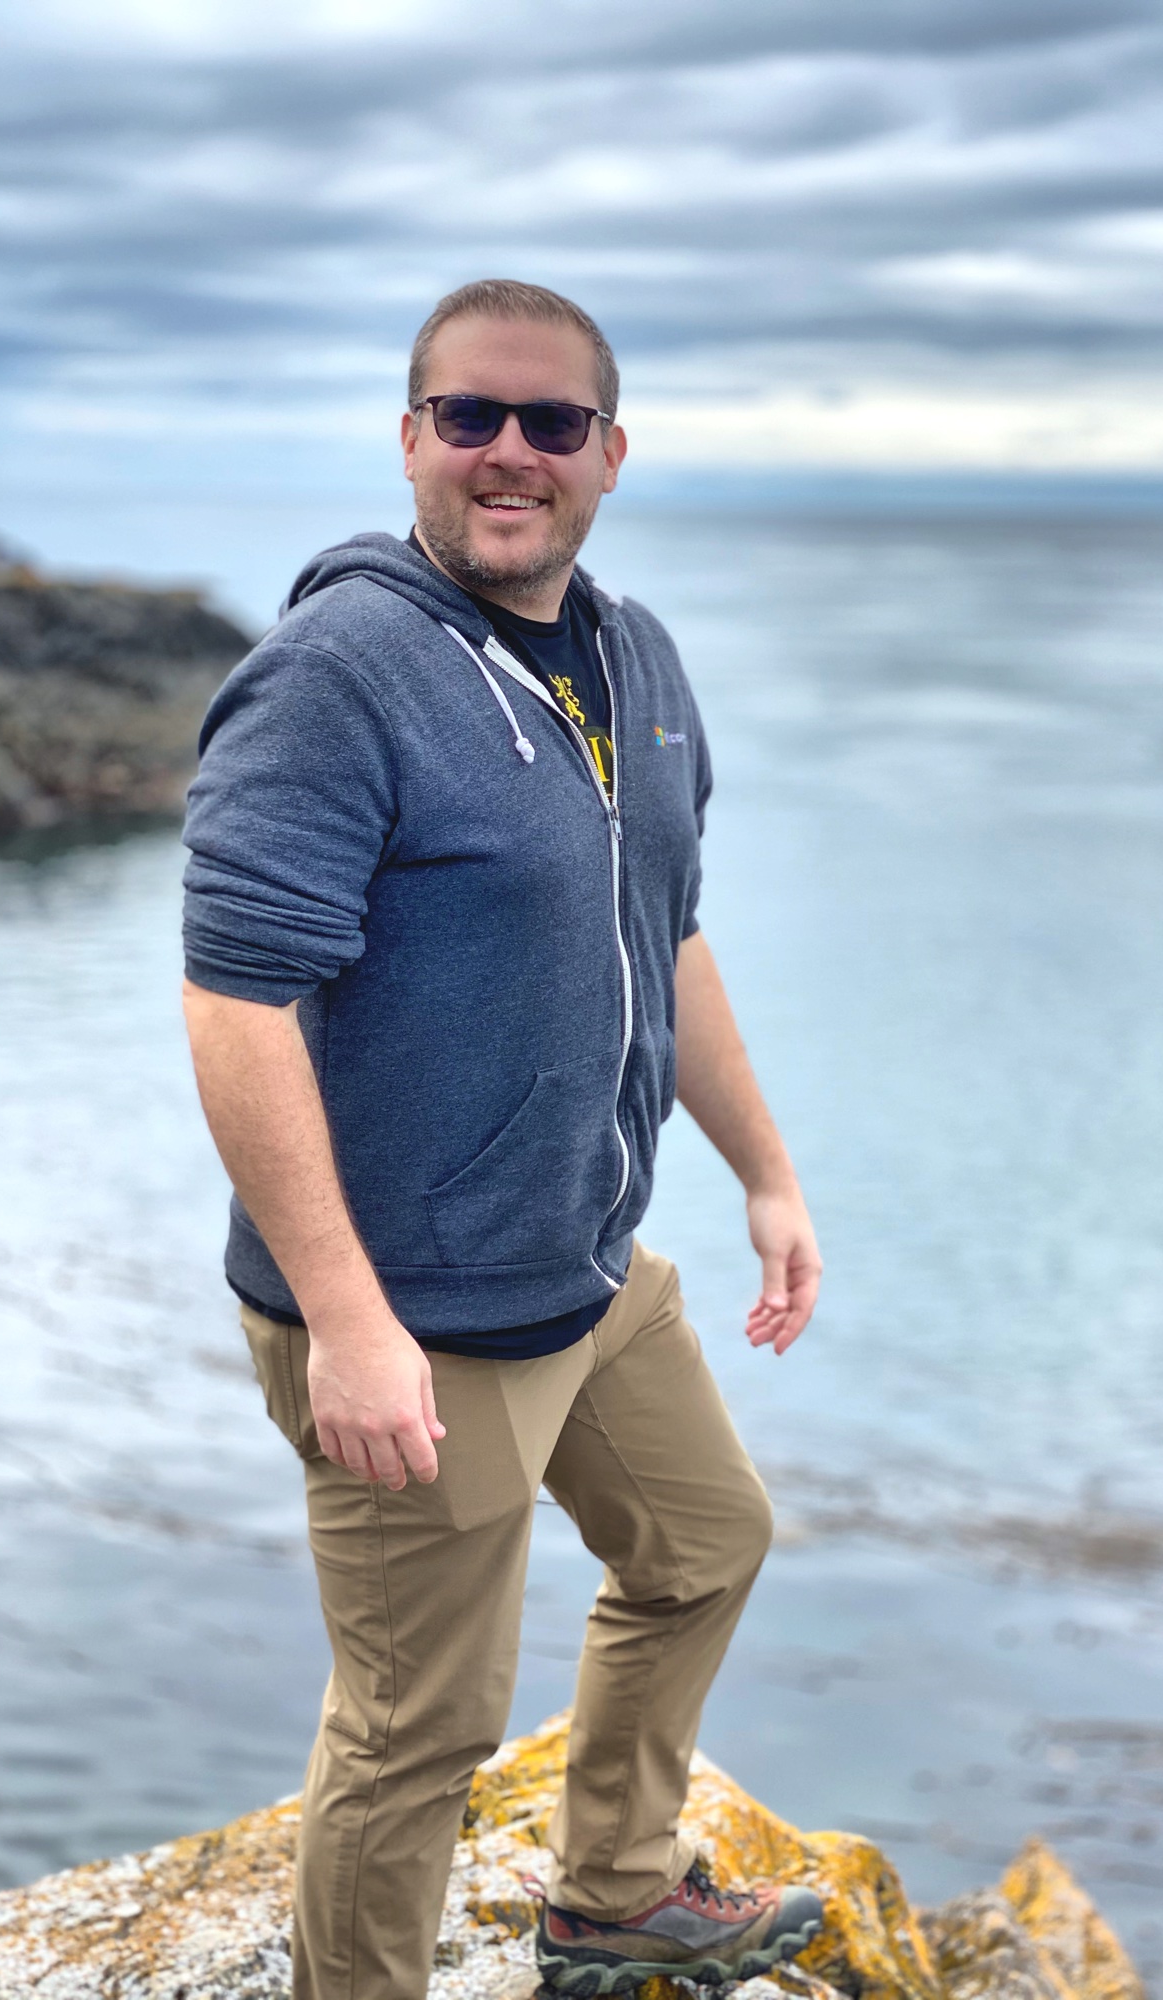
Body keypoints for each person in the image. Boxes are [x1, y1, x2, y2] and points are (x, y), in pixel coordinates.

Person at [180, 279, 825, 2000]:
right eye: (470, 417)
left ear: (612, 452)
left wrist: (764, 1171)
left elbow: (666, 931)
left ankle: (612, 1895)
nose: (510, 452)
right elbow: (237, 1007)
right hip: (413, 1314)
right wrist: (348, 1320)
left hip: (586, 1265)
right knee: (415, 1731)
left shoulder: (635, 658)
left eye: (552, 423)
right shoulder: (336, 678)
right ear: (412, 440)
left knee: (704, 1542)